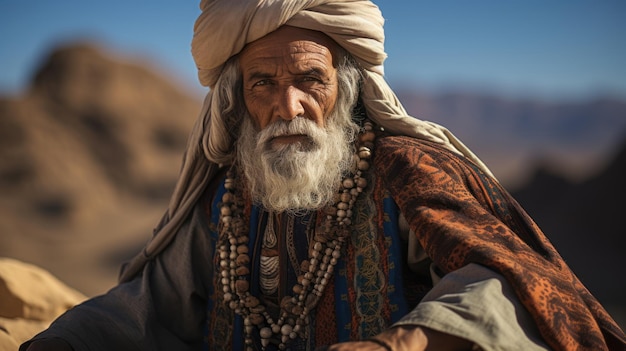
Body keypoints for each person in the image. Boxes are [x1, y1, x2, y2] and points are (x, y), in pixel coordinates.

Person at [22, 1, 626, 351]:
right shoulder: (230, 192)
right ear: (239, 99)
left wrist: (405, 344)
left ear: (347, 88)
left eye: (310, 80)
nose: (288, 107)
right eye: (263, 83)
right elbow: (147, 308)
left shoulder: (404, 170)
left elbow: (498, 280)